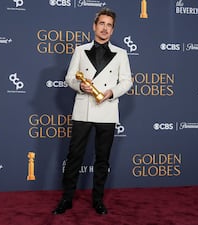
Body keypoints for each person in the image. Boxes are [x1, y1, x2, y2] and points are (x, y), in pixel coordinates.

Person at [52, 8, 132, 215]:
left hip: (107, 110)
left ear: (113, 30)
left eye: (109, 25)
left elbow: (127, 81)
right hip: (83, 109)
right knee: (74, 156)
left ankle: (98, 200)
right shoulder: (80, 50)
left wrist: (111, 92)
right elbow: (70, 78)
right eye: (102, 24)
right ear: (94, 26)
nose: (105, 28)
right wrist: (81, 87)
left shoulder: (121, 53)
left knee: (102, 158)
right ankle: (66, 198)